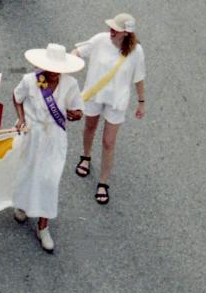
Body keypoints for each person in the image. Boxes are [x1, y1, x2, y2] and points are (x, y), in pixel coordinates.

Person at [10, 43, 84, 254]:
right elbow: (17, 97)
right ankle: (23, 205)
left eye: (57, 70)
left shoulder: (71, 84)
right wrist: (21, 118)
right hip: (32, 135)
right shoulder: (30, 80)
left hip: (54, 138)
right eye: (50, 69)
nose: (53, 73)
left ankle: (43, 226)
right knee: (27, 172)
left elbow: (78, 109)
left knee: (50, 180)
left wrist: (75, 114)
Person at [73, 13, 145, 206]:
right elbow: (78, 52)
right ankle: (86, 156)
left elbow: (139, 77)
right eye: (112, 27)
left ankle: (103, 182)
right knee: (90, 128)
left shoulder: (136, 51)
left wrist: (141, 102)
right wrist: (64, 65)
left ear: (126, 33)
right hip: (95, 95)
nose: (111, 30)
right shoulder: (100, 40)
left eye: (116, 29)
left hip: (116, 101)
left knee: (109, 142)